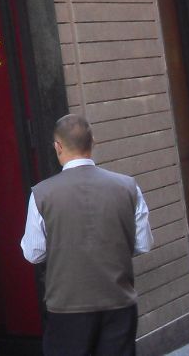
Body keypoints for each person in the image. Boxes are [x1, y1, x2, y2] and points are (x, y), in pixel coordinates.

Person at [20, 113, 153, 356]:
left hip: (67, 306)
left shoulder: (41, 194)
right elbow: (142, 244)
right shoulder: (128, 186)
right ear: (93, 143)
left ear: (58, 147)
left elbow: (33, 254)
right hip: (118, 301)